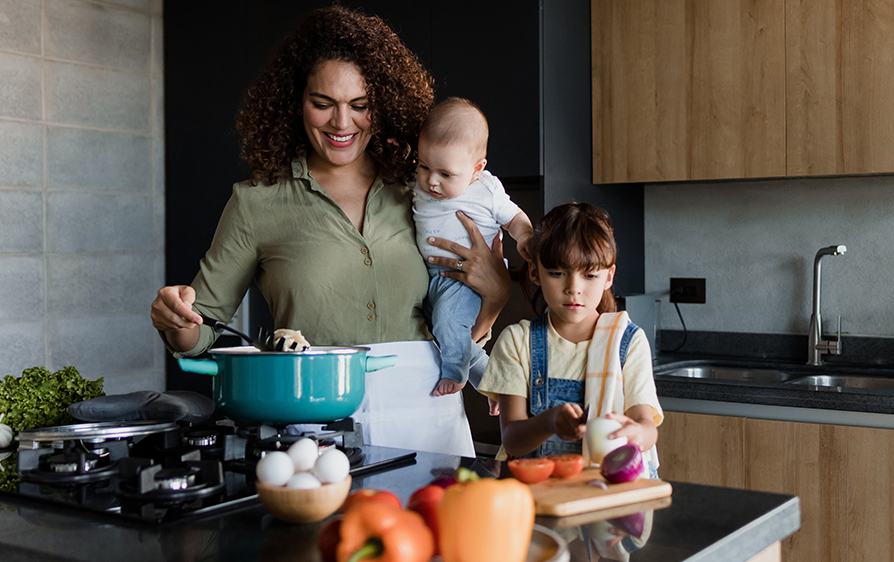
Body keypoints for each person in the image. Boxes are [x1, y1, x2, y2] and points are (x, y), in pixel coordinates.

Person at [149, 5, 510, 458]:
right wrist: (175, 319)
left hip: (429, 420)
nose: (342, 123)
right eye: (323, 104)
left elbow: (461, 314)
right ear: (295, 101)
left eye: (360, 106)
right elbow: (199, 331)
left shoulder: (421, 191)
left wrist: (496, 296)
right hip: (312, 431)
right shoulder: (257, 202)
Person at [476, 203, 662, 476]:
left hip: (610, 490)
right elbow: (512, 438)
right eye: (557, 273)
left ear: (608, 276)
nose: (574, 288)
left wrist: (637, 433)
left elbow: (646, 425)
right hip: (541, 492)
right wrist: (549, 421)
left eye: (589, 275)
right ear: (534, 272)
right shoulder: (517, 342)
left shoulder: (628, 341)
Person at [412, 98, 533, 397]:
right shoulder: (418, 182)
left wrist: (527, 237)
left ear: (476, 169)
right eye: (424, 166)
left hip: (465, 279)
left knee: (447, 325)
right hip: (434, 278)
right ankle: (495, 387)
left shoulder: (487, 191)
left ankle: (455, 375)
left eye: (446, 174)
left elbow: (514, 218)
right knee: (441, 334)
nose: (432, 181)